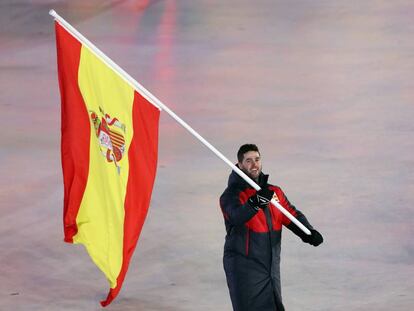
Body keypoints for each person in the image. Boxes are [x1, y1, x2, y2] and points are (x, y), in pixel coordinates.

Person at [220, 144, 323, 311]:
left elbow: (290, 214)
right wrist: (255, 202)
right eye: (248, 161)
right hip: (244, 267)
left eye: (257, 159)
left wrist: (308, 232)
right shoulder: (232, 195)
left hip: (270, 266)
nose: (254, 164)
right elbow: (236, 216)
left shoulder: (274, 192)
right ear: (239, 165)